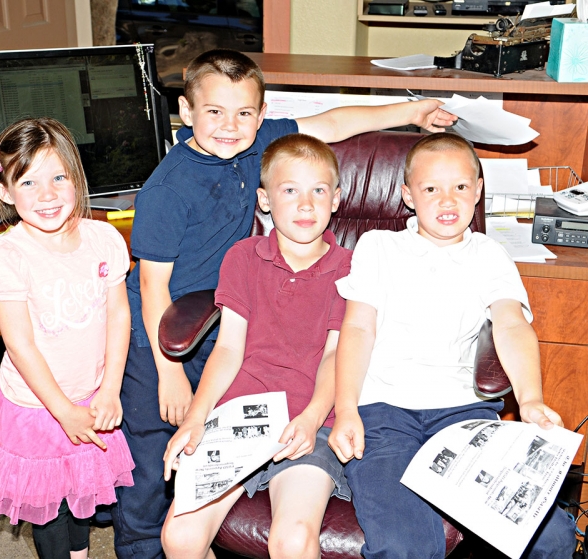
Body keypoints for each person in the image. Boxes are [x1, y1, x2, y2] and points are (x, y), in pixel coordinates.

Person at [115, 47, 457, 558]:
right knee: (150, 459)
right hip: (164, 327)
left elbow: (335, 121)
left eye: (244, 113)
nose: (230, 126)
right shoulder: (169, 190)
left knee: (284, 530)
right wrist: (170, 375)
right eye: (214, 112)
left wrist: (410, 111)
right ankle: (137, 550)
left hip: (232, 327)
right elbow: (152, 289)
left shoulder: (263, 146)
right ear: (186, 114)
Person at [328, 132, 577, 559]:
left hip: (464, 416)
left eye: (460, 187)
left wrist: (531, 399)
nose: (448, 201)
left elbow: (512, 325)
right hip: (383, 414)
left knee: (551, 538)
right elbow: (357, 330)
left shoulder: (488, 254)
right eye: (431, 189)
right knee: (407, 545)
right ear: (407, 195)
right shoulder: (379, 247)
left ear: (478, 190)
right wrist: (347, 408)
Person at [161, 133, 352, 558]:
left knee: (292, 541)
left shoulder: (350, 269)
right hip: (239, 417)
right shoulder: (243, 257)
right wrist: (196, 417)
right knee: (179, 537)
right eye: (290, 191)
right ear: (264, 200)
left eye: (318, 191)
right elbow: (227, 349)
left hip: (310, 421)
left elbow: (337, 355)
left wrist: (311, 417)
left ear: (336, 199)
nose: (306, 205)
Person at [0, 117, 135, 559]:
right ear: (5, 191)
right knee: (48, 507)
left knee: (81, 487)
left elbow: (119, 314)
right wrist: (63, 411)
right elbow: (20, 344)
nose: (47, 195)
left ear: (76, 177)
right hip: (38, 404)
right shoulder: (3, 254)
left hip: (92, 394)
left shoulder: (103, 238)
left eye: (59, 177)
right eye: (28, 182)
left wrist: (110, 388)